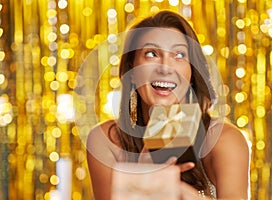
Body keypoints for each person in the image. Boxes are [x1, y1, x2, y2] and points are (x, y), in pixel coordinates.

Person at [86, 10, 250, 199]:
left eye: (179, 55)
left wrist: (185, 195)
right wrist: (139, 184)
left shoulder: (223, 139)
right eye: (151, 54)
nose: (165, 67)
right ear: (132, 69)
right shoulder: (105, 140)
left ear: (192, 71)